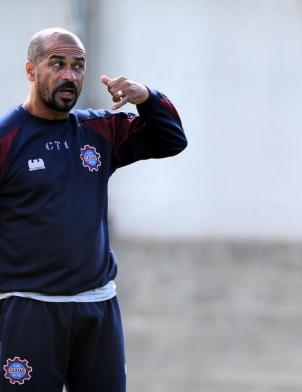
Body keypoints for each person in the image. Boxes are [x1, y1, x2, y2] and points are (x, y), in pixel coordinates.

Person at [0, 27, 187, 392]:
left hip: (97, 306)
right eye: (57, 64)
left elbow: (171, 139)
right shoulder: (8, 139)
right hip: (29, 309)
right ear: (31, 71)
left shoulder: (98, 130)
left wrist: (145, 97)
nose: (70, 75)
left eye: (77, 66)